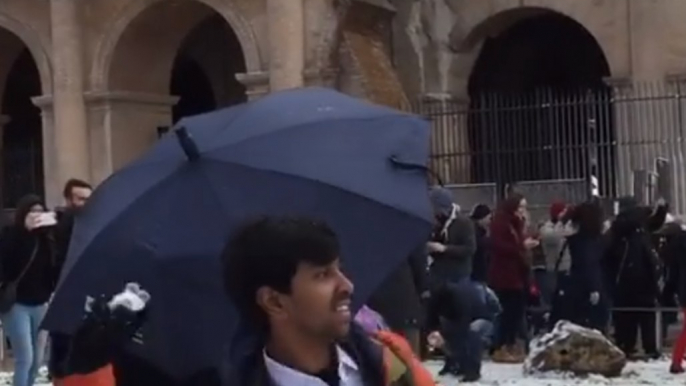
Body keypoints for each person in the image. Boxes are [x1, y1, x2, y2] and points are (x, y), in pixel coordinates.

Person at [221, 216, 436, 386]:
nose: (347, 286)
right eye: (322, 275)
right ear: (274, 302)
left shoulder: (391, 359)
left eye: (339, 269)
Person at [0, 195, 62, 386]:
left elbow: (54, 267)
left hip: (41, 303)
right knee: (24, 357)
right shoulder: (11, 235)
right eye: (32, 211)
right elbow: (6, 264)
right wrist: (25, 232)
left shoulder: (47, 239)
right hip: (16, 304)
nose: (36, 215)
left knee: (37, 359)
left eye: (40, 211)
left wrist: (56, 222)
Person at [603, 197, 667, 359]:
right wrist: (659, 209)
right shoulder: (634, 226)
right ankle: (647, 347)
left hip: (628, 279)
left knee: (629, 316)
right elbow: (655, 223)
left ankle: (628, 345)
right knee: (644, 315)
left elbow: (655, 223)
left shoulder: (622, 227)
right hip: (640, 277)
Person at [488, 193, 538, 363]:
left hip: (518, 273)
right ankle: (503, 345)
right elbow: (500, 246)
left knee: (516, 312)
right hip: (506, 275)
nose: (523, 211)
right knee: (509, 312)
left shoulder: (517, 223)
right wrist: (521, 246)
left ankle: (511, 343)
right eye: (521, 207)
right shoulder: (501, 223)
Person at [549, 201, 606, 331]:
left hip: (571, 289)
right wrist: (594, 288)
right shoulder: (591, 242)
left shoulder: (575, 240)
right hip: (585, 292)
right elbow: (589, 265)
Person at [368, 245, 427, 355]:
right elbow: (420, 271)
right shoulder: (405, 232)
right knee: (409, 361)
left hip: (371, 308)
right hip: (403, 304)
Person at [427, 187, 476, 284]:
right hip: (438, 274)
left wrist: (444, 248)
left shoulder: (464, 222)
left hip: (458, 275)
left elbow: (470, 249)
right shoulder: (435, 221)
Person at [469, 204, 491, 283]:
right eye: (489, 218)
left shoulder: (475, 228)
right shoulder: (474, 230)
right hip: (476, 270)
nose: (489, 221)